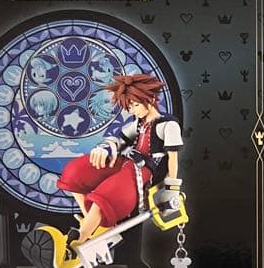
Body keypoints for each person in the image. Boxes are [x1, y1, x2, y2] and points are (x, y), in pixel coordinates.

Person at [57, 72, 183, 256]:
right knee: (74, 173)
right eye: (129, 107)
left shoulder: (168, 125)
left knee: (106, 195)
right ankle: (92, 224)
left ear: (151, 99)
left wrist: (172, 190)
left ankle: (77, 243)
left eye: (135, 105)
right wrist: (105, 149)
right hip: (126, 160)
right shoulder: (139, 123)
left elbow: (172, 159)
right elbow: (119, 139)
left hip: (144, 171)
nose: (132, 111)